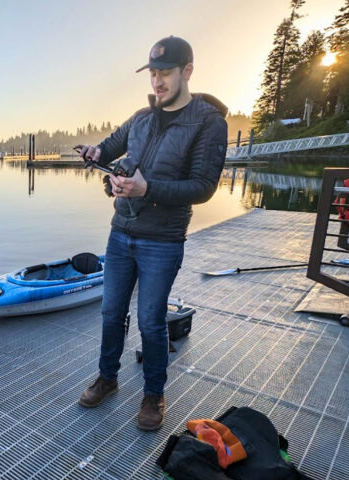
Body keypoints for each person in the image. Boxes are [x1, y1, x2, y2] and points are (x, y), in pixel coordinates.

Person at [76, 36, 228, 430]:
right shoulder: (142, 118)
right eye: (154, 74)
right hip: (121, 231)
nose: (158, 82)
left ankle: (153, 394)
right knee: (111, 312)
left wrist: (148, 189)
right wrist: (96, 154)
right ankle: (107, 378)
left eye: (165, 74)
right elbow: (109, 147)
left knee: (151, 320)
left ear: (187, 72)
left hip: (162, 240)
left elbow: (203, 187)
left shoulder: (209, 123)